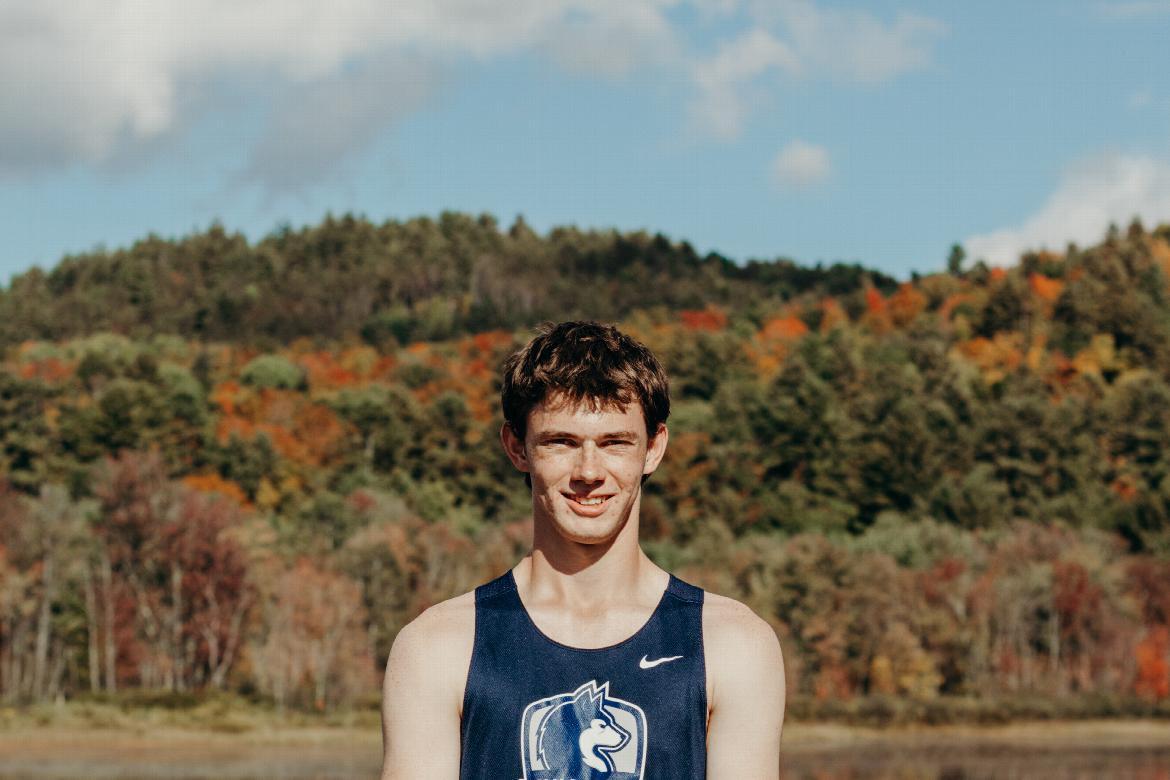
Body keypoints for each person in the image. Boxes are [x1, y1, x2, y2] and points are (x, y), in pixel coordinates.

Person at [381, 321, 785, 779]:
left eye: (615, 443)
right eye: (561, 442)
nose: (589, 472)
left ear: (653, 448)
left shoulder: (732, 644)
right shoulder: (437, 647)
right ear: (517, 447)